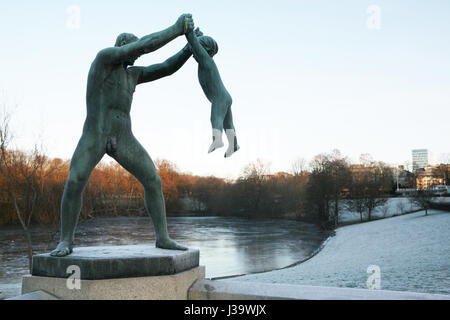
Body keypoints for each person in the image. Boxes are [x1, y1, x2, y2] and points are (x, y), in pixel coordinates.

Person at [51, 14, 197, 257]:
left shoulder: (133, 75)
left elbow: (166, 68)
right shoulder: (103, 59)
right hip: (96, 132)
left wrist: (190, 47)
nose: (137, 55)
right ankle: (65, 240)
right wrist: (176, 28)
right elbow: (144, 45)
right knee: (75, 180)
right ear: (122, 47)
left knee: (153, 180)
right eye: (133, 49)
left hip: (124, 137)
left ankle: (162, 238)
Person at [185, 28, 239, 157]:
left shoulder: (206, 60)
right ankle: (234, 145)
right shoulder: (205, 62)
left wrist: (188, 31)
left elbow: (194, 44)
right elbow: (195, 45)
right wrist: (198, 35)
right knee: (228, 123)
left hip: (219, 97)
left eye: (196, 50)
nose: (193, 54)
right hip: (224, 96)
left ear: (206, 50)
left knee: (215, 118)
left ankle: (217, 140)